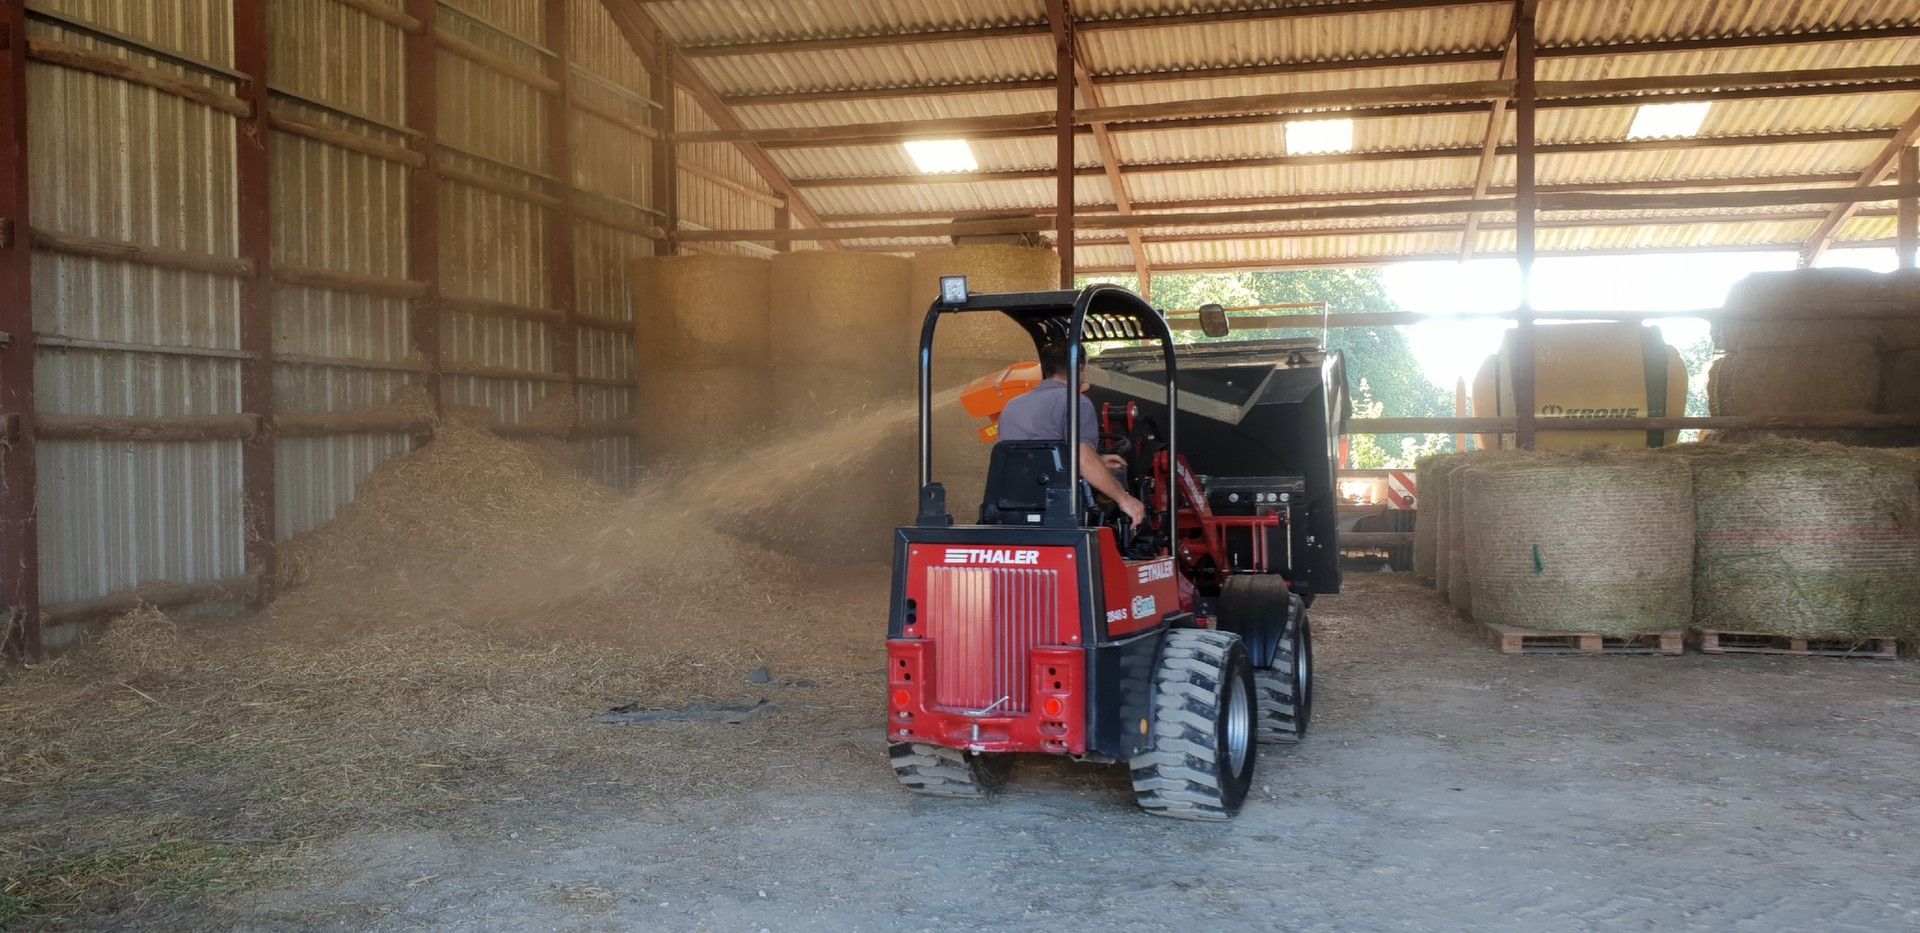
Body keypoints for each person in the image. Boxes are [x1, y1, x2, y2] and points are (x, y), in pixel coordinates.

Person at [997, 341, 1148, 527]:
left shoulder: (1011, 406)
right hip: (1058, 507)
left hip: (1010, 504)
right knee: (1118, 478)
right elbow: (1083, 461)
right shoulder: (1076, 402)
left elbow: (1037, 460)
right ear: (1080, 367)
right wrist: (1124, 499)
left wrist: (1098, 461)